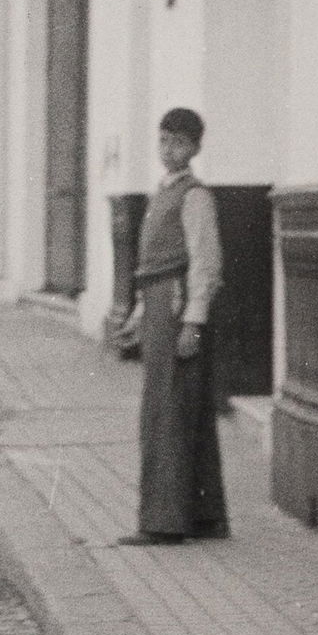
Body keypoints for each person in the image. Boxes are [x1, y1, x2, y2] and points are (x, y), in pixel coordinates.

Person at [120, 107, 228, 546]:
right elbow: (153, 266)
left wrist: (193, 321)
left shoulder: (195, 195)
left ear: (197, 147)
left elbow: (205, 262)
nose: (170, 150)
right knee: (184, 407)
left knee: (167, 411)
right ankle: (204, 517)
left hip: (180, 308)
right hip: (160, 304)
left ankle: (163, 522)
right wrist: (139, 313)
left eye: (180, 142)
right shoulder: (161, 192)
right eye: (164, 140)